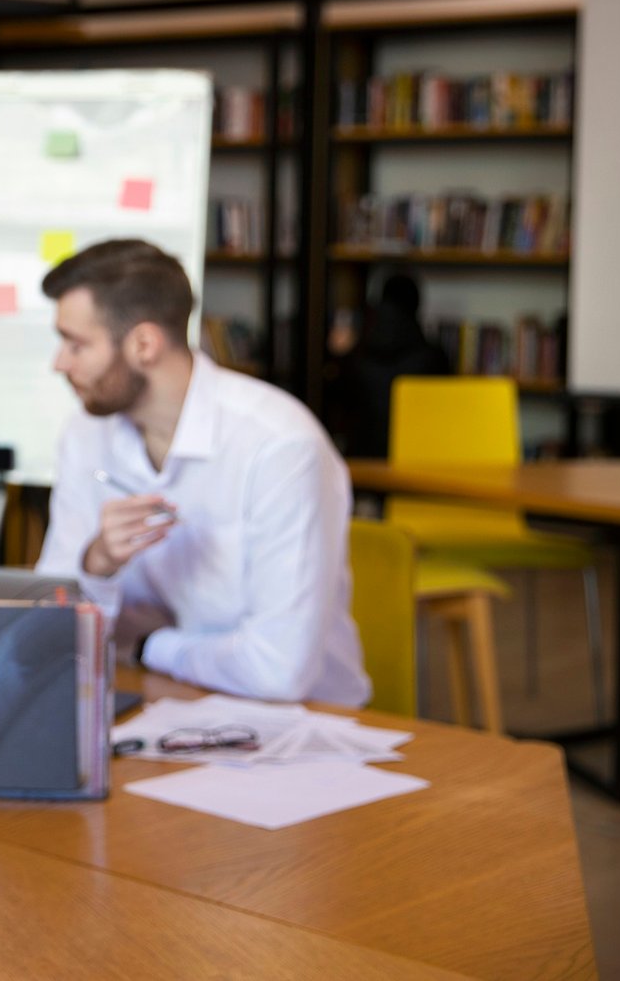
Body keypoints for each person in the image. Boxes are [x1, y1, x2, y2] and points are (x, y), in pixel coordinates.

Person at [34, 239, 369, 706]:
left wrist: (149, 645)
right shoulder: (85, 434)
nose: (59, 363)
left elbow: (279, 671)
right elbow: (48, 626)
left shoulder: (279, 446)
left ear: (144, 345)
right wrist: (97, 566)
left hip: (296, 728)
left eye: (76, 344)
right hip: (151, 705)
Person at [327, 272, 450, 458]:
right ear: (417, 304)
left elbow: (336, 404)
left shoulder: (356, 352)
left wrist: (337, 356)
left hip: (361, 460)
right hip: (414, 461)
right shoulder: (434, 357)